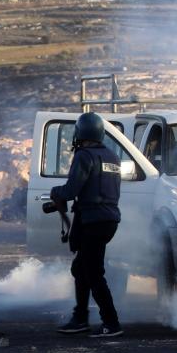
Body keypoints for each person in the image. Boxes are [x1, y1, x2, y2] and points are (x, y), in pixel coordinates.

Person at [52, 112, 123, 338]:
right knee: (80, 269)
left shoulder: (84, 156)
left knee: (93, 273)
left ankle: (111, 323)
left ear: (80, 133)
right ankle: (80, 318)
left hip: (92, 220)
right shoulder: (112, 156)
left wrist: (56, 193)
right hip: (109, 220)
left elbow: (72, 190)